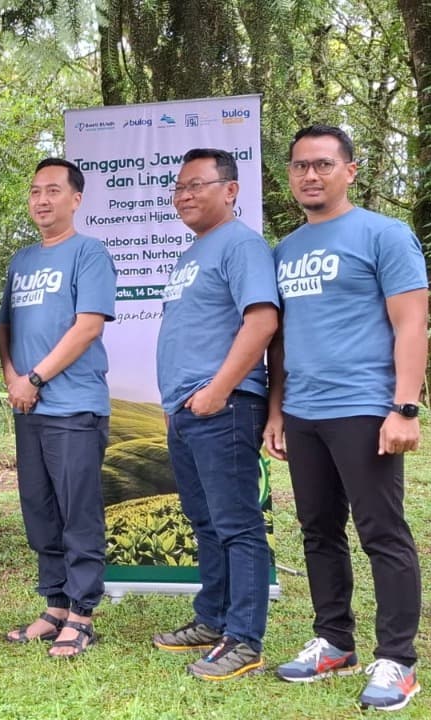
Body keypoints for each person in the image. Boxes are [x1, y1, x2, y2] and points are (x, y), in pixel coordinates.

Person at [264, 125, 427, 711]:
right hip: (304, 412)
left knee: (382, 532)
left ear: (350, 171)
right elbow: (278, 341)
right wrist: (278, 411)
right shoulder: (283, 250)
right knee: (318, 531)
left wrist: (404, 407)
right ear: (289, 176)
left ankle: (398, 661)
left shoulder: (385, 235)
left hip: (364, 407)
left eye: (324, 164)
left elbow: (411, 322)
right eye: (300, 165)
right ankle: (334, 640)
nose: (311, 174)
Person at [150, 149, 278, 680]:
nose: (184, 194)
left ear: (230, 190)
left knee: (236, 524)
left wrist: (219, 390)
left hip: (222, 405)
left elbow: (263, 320)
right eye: (178, 187)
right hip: (188, 410)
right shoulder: (194, 252)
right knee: (206, 523)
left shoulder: (242, 244)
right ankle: (213, 618)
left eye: (196, 184)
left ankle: (244, 638)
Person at [0, 158, 115, 658]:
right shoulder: (20, 260)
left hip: (74, 407)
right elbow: (3, 328)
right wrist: (13, 380)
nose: (41, 200)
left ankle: (83, 614)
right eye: (34, 191)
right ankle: (55, 606)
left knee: (77, 512)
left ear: (75, 199)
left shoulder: (90, 254)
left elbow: (88, 326)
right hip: (29, 408)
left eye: (52, 190)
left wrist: (37, 377)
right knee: (40, 512)